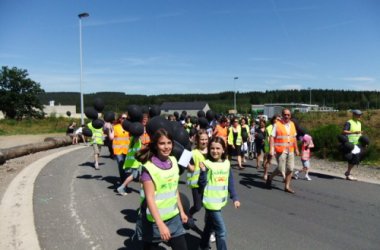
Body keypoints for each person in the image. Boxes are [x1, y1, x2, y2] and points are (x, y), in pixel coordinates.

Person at [135, 128, 188, 250]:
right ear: (155, 145)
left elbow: (174, 190)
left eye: (169, 143)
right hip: (154, 221)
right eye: (162, 143)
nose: (166, 147)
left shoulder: (174, 161)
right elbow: (150, 198)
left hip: (174, 217)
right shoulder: (149, 168)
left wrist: (182, 211)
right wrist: (160, 224)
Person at [198, 137, 240, 250]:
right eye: (212, 148)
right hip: (210, 203)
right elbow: (201, 184)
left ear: (223, 150)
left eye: (218, 148)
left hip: (219, 202)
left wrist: (234, 197)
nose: (215, 151)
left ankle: (203, 245)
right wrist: (202, 172)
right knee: (221, 231)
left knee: (209, 226)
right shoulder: (206, 164)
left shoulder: (226, 163)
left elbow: (230, 181)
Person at [266, 109, 299, 194]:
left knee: (290, 168)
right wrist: (271, 149)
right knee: (281, 168)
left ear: (290, 116)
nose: (286, 116)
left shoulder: (292, 124)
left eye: (288, 115)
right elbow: (272, 137)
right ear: (282, 115)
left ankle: (287, 187)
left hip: (290, 150)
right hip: (281, 150)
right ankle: (270, 177)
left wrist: (296, 149)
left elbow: (294, 137)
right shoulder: (277, 124)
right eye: (285, 114)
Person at [186, 129, 208, 228]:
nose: (204, 141)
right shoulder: (193, 152)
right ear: (198, 141)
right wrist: (191, 167)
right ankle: (188, 214)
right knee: (198, 206)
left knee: (209, 207)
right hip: (197, 184)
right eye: (202, 139)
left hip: (209, 183)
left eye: (206, 139)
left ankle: (209, 228)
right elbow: (184, 162)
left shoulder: (212, 150)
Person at [342, 109, 363, 181]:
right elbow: (344, 131)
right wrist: (354, 132)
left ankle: (348, 173)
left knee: (357, 158)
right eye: (358, 115)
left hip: (358, 143)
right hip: (350, 143)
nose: (360, 116)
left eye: (360, 115)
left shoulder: (359, 123)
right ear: (354, 115)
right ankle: (348, 174)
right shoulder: (349, 122)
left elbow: (358, 133)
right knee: (354, 157)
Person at [109, 114, 130, 184]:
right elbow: (111, 137)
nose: (125, 119)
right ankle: (123, 182)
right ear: (120, 119)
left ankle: (126, 179)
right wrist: (110, 129)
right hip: (118, 151)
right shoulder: (115, 127)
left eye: (126, 118)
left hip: (127, 150)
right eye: (123, 118)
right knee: (121, 166)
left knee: (127, 167)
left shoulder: (129, 127)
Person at [262, 115, 280, 180]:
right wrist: (271, 149)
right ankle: (265, 173)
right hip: (270, 146)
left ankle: (284, 177)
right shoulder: (269, 127)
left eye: (279, 119)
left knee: (281, 162)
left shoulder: (279, 127)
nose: (278, 121)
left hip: (278, 146)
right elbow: (270, 138)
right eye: (277, 119)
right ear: (273, 120)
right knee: (269, 161)